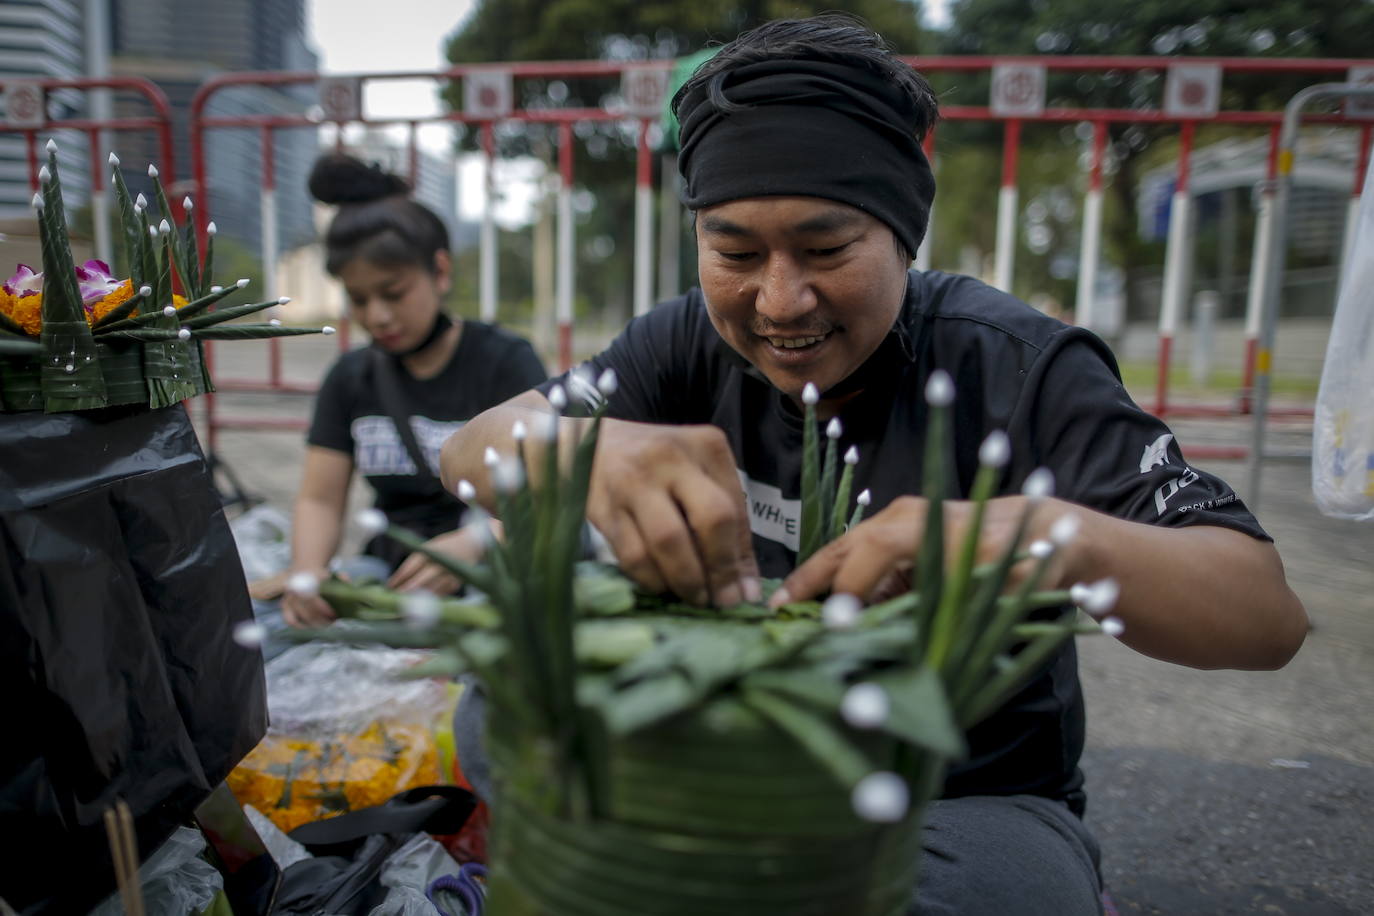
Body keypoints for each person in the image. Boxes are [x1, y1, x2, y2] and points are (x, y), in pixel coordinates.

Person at [438, 15, 1308, 914]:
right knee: (493, 708)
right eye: (735, 253)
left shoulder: (1015, 365)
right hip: (739, 757)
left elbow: (1265, 614)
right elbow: (470, 449)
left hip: (957, 800)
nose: (780, 300)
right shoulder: (681, 343)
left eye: (826, 251)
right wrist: (575, 447)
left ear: (904, 232)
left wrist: (1047, 536)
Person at [280, 153, 546, 628]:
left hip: (495, 576)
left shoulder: (505, 363)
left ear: (440, 272)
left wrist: (477, 544)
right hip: (389, 575)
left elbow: (548, 493)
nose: (377, 315)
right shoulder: (349, 378)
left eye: (393, 292)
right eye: (359, 299)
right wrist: (306, 574)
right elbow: (319, 498)